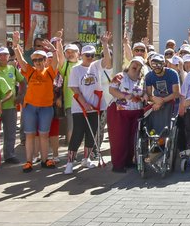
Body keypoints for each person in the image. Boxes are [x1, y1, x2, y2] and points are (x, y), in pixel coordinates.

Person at [12, 31, 58, 172]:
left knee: (44, 135)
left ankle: (45, 160)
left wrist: (54, 50)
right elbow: (21, 60)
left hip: (46, 108)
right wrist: (15, 45)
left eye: (40, 60)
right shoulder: (30, 71)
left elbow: (56, 62)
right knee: (30, 135)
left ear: (45, 61)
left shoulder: (50, 71)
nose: (38, 62)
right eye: (35, 60)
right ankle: (28, 162)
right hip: (30, 108)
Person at [65, 45, 106, 174]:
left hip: (95, 108)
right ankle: (70, 162)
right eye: (87, 55)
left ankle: (86, 159)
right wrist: (84, 103)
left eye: (92, 55)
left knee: (91, 133)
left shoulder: (96, 67)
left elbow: (108, 61)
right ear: (81, 55)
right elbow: (74, 88)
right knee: (77, 134)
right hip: (79, 108)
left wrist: (105, 43)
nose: (90, 58)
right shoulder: (76, 69)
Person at [107, 56, 147, 173]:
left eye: (139, 64)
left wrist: (144, 95)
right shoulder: (120, 76)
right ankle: (118, 165)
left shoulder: (142, 80)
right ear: (130, 64)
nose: (136, 66)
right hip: (119, 111)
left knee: (132, 138)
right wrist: (124, 96)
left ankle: (129, 161)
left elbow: (144, 92)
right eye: (134, 63)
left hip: (136, 111)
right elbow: (112, 90)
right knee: (119, 138)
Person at [0, 46, 25, 164]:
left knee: (10, 132)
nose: (2, 57)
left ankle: (9, 155)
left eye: (5, 54)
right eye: (0, 55)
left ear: (9, 56)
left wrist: (20, 96)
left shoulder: (12, 69)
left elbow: (23, 82)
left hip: (10, 106)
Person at [144, 54, 181, 134]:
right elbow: (149, 95)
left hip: (172, 100)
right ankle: (153, 133)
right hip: (158, 99)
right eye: (153, 64)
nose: (156, 66)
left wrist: (162, 101)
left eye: (159, 64)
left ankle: (165, 134)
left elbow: (176, 93)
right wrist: (155, 99)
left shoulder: (172, 73)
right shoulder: (149, 76)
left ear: (164, 64)